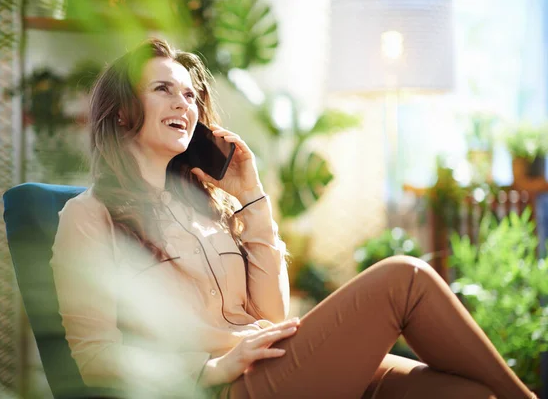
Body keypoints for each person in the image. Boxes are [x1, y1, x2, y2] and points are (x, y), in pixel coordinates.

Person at [50, 38, 536, 399]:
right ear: (119, 114)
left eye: (191, 95)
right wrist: (212, 368)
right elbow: (95, 358)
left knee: (471, 396)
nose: (185, 104)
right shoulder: (89, 218)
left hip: (283, 362)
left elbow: (272, 315)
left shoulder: (208, 203)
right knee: (402, 277)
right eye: (163, 90)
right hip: (223, 390)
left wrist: (251, 195)